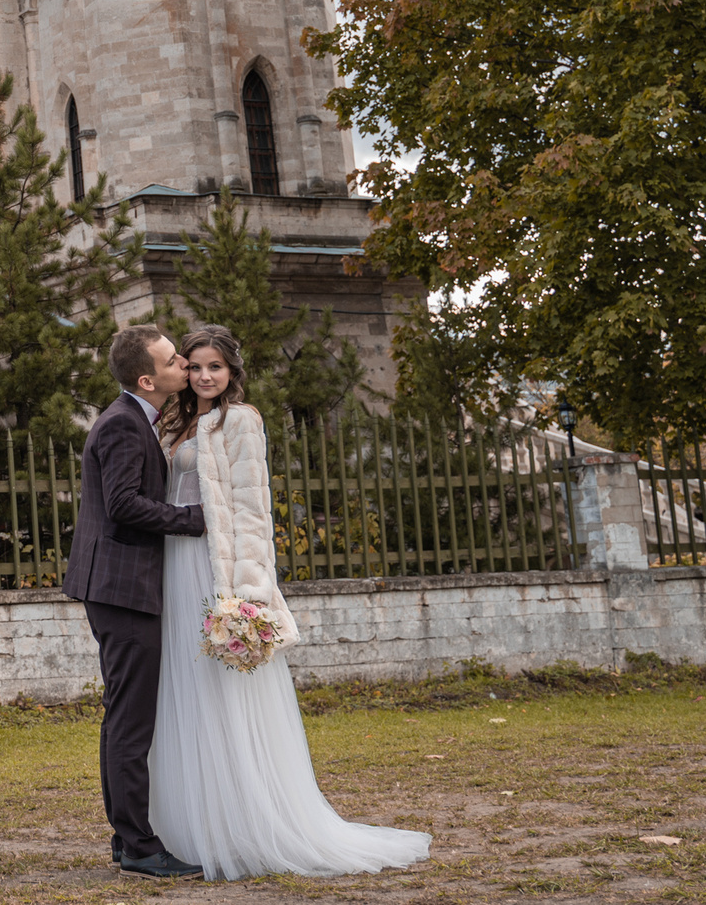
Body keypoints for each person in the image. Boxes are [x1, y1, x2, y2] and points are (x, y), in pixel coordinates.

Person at [148, 327, 433, 880]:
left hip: (215, 562)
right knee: (183, 685)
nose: (206, 376)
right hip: (170, 563)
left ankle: (245, 823)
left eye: (217, 367)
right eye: (197, 366)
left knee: (226, 686)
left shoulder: (241, 421)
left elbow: (253, 511)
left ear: (233, 372)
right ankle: (189, 824)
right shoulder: (172, 421)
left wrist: (248, 594)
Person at [64, 323, 207, 880]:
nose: (186, 368)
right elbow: (124, 504)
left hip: (117, 585)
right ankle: (140, 846)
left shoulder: (136, 418)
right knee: (131, 719)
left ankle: (128, 840)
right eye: (175, 362)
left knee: (124, 716)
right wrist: (195, 520)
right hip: (121, 588)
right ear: (148, 378)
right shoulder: (124, 424)